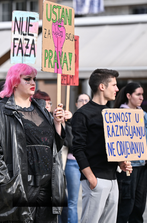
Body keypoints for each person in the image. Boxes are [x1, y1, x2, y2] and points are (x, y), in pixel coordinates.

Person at [0, 63, 67, 222]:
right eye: (27, 79)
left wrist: (57, 123)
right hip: (19, 184)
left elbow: (55, 146)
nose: (33, 83)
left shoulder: (42, 110)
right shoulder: (0, 112)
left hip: (47, 184)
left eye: (34, 79)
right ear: (14, 82)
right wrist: (7, 186)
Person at [71, 69, 132, 223]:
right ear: (102, 87)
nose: (117, 89)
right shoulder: (82, 114)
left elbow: (112, 146)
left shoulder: (111, 113)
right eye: (114, 85)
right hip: (95, 179)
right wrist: (92, 179)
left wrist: (121, 163)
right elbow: (78, 149)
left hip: (113, 179)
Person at [113, 82, 147, 223]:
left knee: (139, 207)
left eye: (142, 94)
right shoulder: (119, 114)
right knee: (125, 206)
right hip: (128, 166)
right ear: (129, 96)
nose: (141, 97)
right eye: (138, 94)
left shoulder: (144, 115)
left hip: (142, 166)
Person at [60, 93, 90, 223]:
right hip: (73, 163)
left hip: (90, 163)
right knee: (72, 200)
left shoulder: (93, 119)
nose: (83, 102)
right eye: (80, 100)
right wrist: (69, 122)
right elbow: (71, 143)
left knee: (91, 199)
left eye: (86, 100)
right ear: (76, 104)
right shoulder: (70, 120)